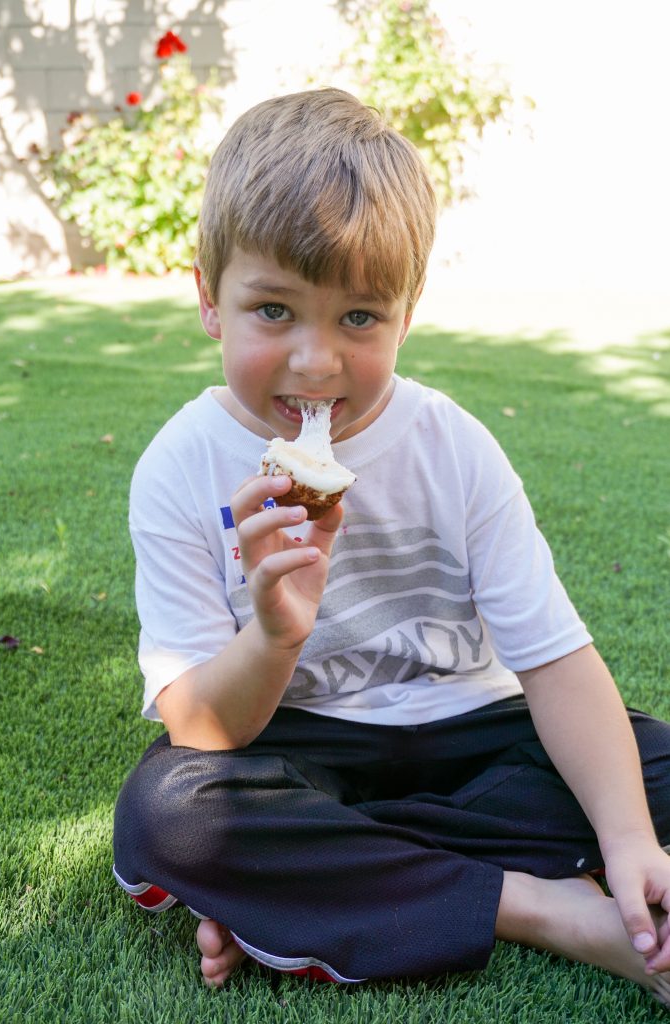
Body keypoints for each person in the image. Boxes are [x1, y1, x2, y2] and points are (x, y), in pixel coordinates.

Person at [113, 88, 670, 1004]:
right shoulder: (178, 469)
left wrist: (627, 841)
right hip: (297, 748)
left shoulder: (452, 447)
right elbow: (201, 731)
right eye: (274, 312)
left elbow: (556, 664)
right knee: (170, 814)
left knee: (638, 771)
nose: (315, 361)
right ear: (210, 300)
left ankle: (323, 881)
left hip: (473, 737)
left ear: (408, 313)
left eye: (359, 319)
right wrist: (274, 637)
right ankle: (542, 905)